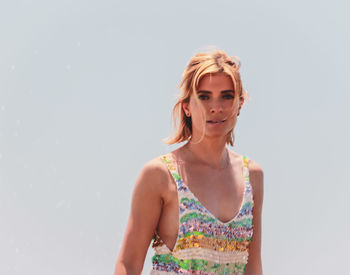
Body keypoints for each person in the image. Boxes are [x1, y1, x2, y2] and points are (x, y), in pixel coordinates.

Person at [114, 49, 264, 274]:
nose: (216, 107)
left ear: (239, 104)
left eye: (227, 96)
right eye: (204, 97)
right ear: (186, 106)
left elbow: (253, 267)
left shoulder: (252, 176)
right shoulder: (159, 175)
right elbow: (129, 264)